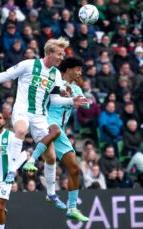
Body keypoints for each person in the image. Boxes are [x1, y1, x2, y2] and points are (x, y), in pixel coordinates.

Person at [0, 38, 87, 206]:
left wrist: (70, 98)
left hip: (40, 116)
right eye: (59, 54)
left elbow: (57, 95)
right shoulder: (28, 65)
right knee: (20, 131)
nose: (62, 58)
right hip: (23, 110)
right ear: (49, 53)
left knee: (51, 158)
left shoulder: (55, 74)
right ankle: (11, 170)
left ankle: (51, 194)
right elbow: (6, 75)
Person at [39, 57, 89, 221]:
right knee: (50, 158)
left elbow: (86, 105)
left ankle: (72, 208)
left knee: (74, 169)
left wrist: (76, 95)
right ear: (68, 69)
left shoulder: (76, 88)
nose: (80, 72)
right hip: (47, 122)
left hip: (60, 130)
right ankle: (32, 160)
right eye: (78, 69)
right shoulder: (54, 81)